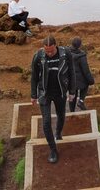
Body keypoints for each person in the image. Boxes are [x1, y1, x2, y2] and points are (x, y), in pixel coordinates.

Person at [30, 36, 74, 164]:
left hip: (60, 92)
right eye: (47, 51)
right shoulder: (39, 56)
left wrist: (72, 92)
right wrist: (33, 95)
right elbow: (34, 76)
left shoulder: (66, 54)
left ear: (56, 45)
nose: (49, 53)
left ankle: (58, 133)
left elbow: (71, 72)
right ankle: (53, 149)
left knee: (61, 115)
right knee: (46, 122)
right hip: (44, 93)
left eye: (51, 51)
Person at [66, 36, 95, 111]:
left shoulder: (66, 53)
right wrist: (91, 81)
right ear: (79, 45)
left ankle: (72, 111)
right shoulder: (81, 55)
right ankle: (81, 101)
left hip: (69, 79)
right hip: (80, 80)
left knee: (72, 93)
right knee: (86, 85)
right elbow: (85, 70)